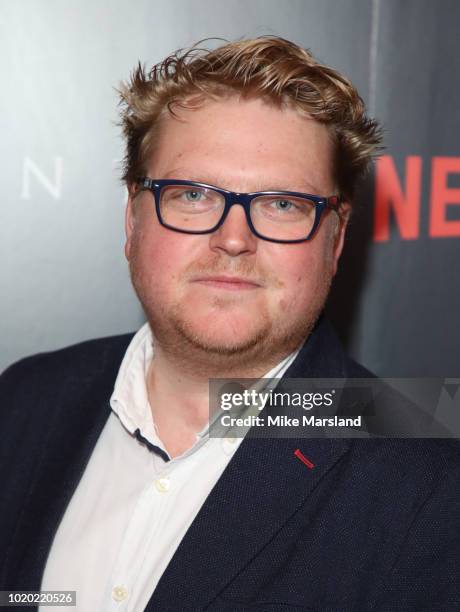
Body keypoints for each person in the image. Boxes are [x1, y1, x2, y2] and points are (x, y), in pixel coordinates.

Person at [0, 36, 458, 612]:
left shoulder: (431, 487)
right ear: (132, 221)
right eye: (192, 194)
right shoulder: (25, 400)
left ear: (336, 240)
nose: (234, 239)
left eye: (283, 204)